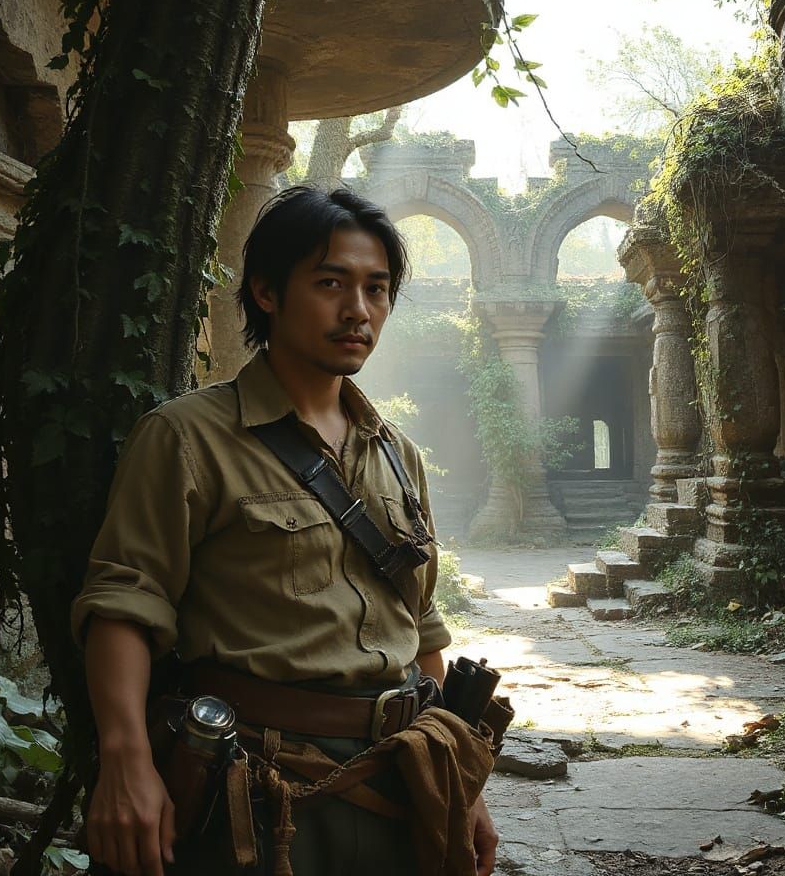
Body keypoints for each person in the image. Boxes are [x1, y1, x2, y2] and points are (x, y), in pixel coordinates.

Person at [71, 185, 499, 876]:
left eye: (377, 288)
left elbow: (421, 627)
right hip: (256, 789)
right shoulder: (187, 437)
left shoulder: (397, 454)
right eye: (331, 283)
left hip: (403, 781)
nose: (358, 309)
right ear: (267, 293)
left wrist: (460, 785)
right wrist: (125, 763)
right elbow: (125, 601)